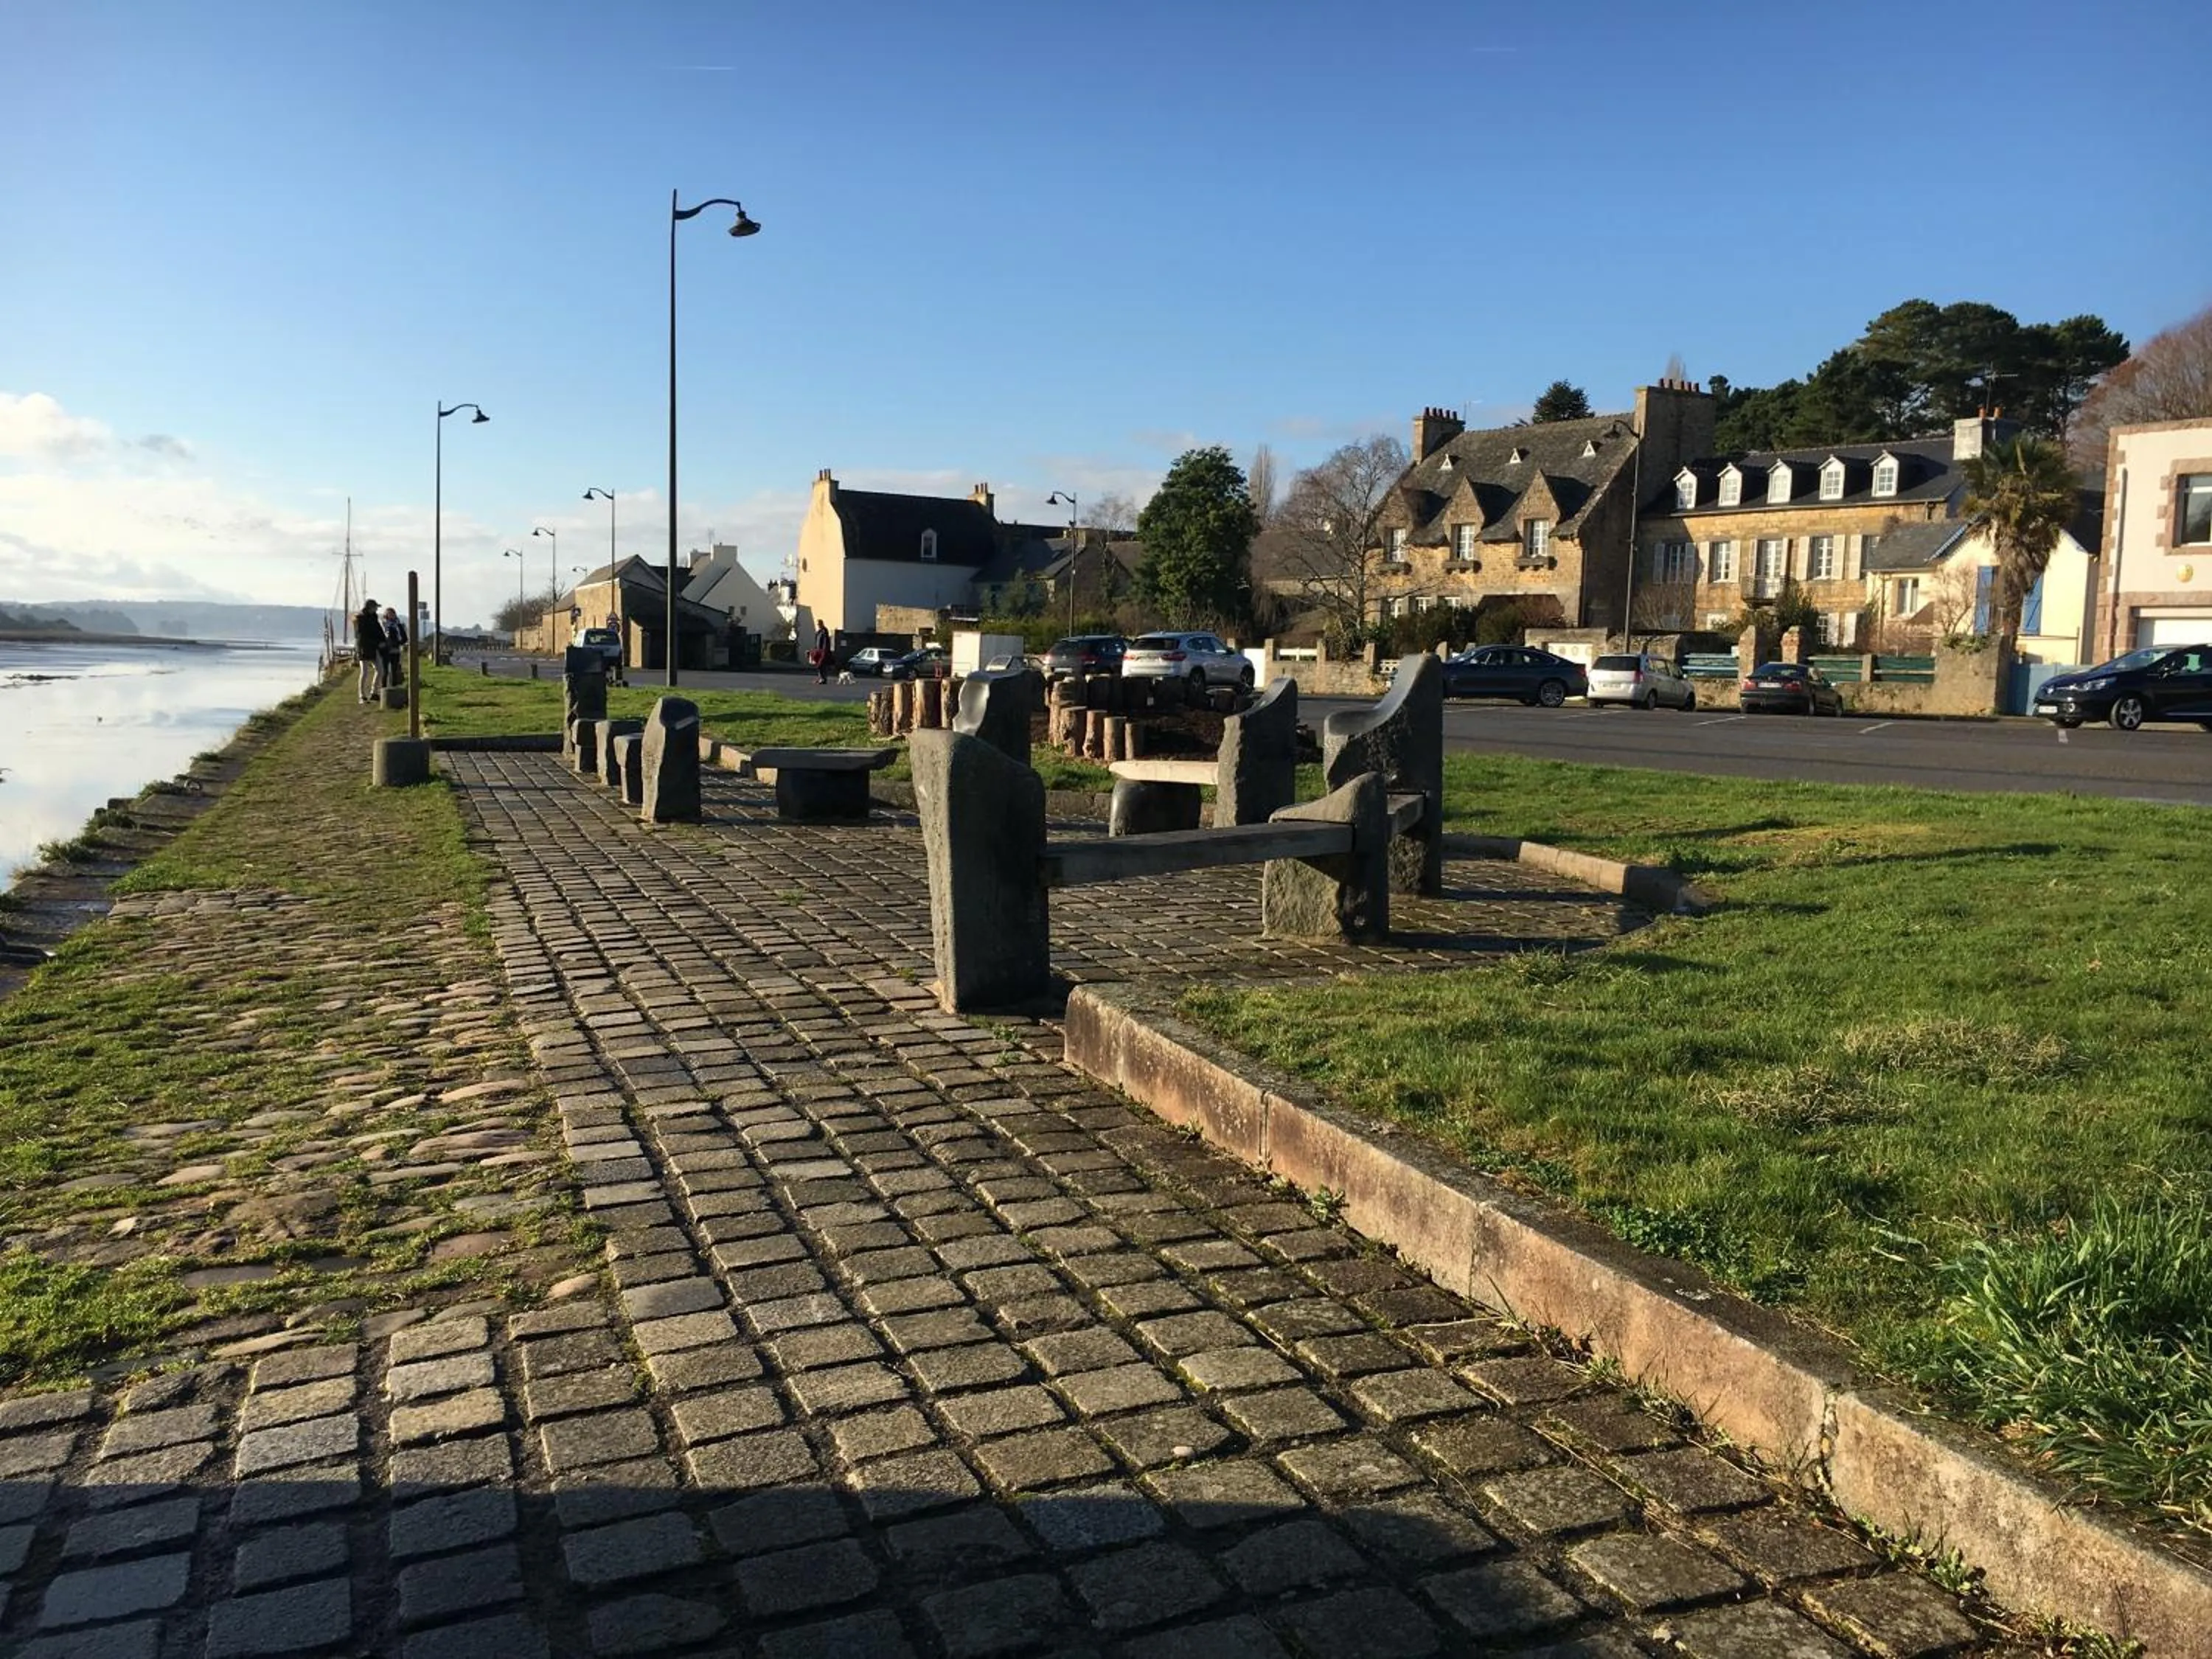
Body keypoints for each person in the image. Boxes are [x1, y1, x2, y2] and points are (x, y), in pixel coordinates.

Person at [354, 599, 383, 702]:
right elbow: (362, 635)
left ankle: (374, 692)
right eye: (375, 607)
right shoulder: (361, 618)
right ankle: (362, 695)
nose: (376, 609)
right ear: (370, 607)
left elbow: (378, 630)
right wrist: (376, 642)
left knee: (380, 670)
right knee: (365, 672)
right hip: (364, 648)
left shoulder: (374, 617)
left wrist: (383, 640)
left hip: (374, 648)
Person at [380, 606, 408, 695]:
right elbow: (380, 636)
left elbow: (404, 637)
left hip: (396, 650)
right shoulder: (383, 624)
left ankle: (394, 689)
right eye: (389, 614)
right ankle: (383, 690)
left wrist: (399, 642)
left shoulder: (398, 624)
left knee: (394, 670)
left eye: (392, 614)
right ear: (386, 615)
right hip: (385, 650)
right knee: (385, 671)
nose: (391, 615)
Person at [812, 620, 832, 684]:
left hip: (823, 651)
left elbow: (826, 642)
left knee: (822, 665)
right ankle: (820, 678)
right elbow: (817, 641)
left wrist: (824, 650)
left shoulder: (824, 631)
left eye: (819, 624)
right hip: (818, 650)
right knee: (818, 665)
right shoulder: (819, 632)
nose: (818, 626)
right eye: (818, 624)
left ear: (822, 624)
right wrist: (815, 649)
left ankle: (824, 679)